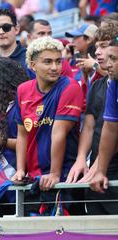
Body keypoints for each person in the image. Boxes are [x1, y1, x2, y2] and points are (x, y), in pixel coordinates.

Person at [12, 37, 84, 215]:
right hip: (34, 179)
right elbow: (22, 134)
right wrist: (21, 169)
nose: (54, 67)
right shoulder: (22, 90)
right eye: (47, 62)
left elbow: (58, 133)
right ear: (32, 64)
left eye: (58, 61)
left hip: (65, 177)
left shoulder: (70, 87)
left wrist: (54, 174)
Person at [66, 23, 118, 215]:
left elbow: (114, 131)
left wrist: (98, 167)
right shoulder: (99, 85)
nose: (98, 52)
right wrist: (82, 160)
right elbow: (90, 127)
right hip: (99, 173)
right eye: (97, 47)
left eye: (104, 46)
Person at [90, 37, 118, 196]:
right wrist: (100, 171)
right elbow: (111, 128)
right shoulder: (114, 83)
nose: (108, 65)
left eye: (113, 59)